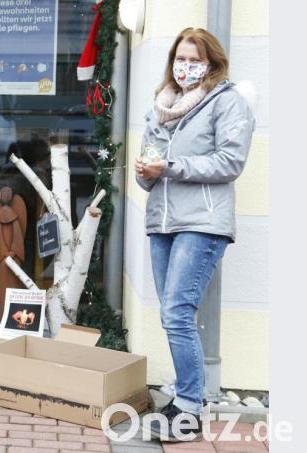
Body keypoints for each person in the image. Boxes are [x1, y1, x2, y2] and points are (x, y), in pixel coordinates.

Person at [135, 28, 255, 441]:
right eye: (180, 59)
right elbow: (151, 174)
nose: (185, 67)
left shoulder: (228, 102)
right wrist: (146, 172)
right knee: (173, 316)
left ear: (212, 63)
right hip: (162, 223)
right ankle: (185, 400)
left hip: (202, 223)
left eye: (194, 59)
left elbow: (229, 162)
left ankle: (188, 408)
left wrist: (169, 166)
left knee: (177, 312)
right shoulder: (161, 107)